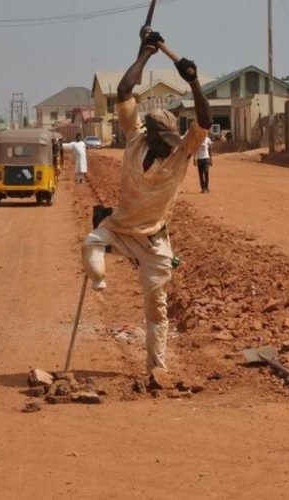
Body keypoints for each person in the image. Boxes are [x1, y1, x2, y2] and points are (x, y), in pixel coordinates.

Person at [82, 31, 212, 379]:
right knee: (91, 244)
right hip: (121, 227)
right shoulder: (135, 136)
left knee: (158, 308)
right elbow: (125, 92)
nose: (167, 146)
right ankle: (99, 281)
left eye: (171, 141)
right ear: (150, 136)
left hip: (154, 238)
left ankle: (158, 368)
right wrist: (144, 55)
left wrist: (194, 81)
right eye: (162, 142)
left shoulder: (183, 152)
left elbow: (204, 121)